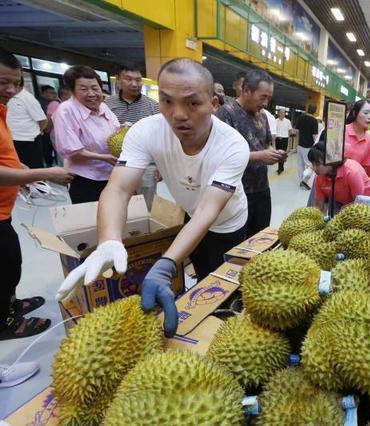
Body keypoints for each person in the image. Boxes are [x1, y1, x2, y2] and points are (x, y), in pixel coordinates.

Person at [56, 58, 250, 338]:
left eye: (192, 103)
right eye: (167, 101)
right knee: (201, 272)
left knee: (224, 284)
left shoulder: (232, 146)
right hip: (191, 213)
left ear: (214, 105)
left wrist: (167, 263)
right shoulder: (146, 131)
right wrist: (110, 240)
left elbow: (209, 210)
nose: (178, 114)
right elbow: (119, 188)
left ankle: (225, 325)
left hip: (228, 221)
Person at [0, 48, 74, 348]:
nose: (11, 90)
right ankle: (7, 323)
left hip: (4, 209)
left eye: (16, 83)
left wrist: (24, 172)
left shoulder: (2, 109)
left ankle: (11, 304)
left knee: (10, 262)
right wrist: (42, 174)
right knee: (5, 265)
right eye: (3, 82)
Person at [216, 69, 283, 239]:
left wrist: (273, 154)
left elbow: (266, 144)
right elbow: (219, 155)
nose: (266, 103)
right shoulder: (226, 114)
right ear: (246, 91)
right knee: (239, 245)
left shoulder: (263, 116)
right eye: (263, 97)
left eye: (269, 97)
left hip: (261, 189)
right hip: (236, 193)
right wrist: (259, 156)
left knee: (260, 239)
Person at [54, 66, 120, 204]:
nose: (91, 94)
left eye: (95, 88)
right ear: (72, 91)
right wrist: (103, 158)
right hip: (85, 178)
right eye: (84, 89)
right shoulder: (66, 111)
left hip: (111, 175)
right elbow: (69, 149)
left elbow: (116, 133)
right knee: (91, 219)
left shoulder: (103, 107)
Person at [105, 65, 161, 210]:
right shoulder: (107, 104)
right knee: (118, 202)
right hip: (115, 163)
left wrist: (160, 165)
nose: (134, 84)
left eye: (138, 80)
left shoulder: (153, 106)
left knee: (146, 204)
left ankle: (146, 231)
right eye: (128, 79)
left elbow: (159, 137)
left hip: (146, 164)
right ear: (118, 81)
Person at [308, 141, 370, 212]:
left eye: (318, 164)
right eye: (313, 164)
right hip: (341, 199)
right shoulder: (320, 177)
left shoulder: (352, 172)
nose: (314, 168)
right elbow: (319, 205)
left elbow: (359, 202)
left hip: (365, 199)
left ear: (330, 160)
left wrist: (344, 209)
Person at [7, 77, 48, 170]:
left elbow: (43, 120)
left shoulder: (28, 98)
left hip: (29, 140)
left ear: (18, 85)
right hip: (12, 139)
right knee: (17, 169)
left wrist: (39, 131)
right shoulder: (7, 98)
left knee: (33, 169)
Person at [44, 86, 71, 166]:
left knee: (65, 156)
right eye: (71, 95)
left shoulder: (64, 104)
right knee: (63, 156)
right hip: (57, 135)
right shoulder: (54, 104)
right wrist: (47, 130)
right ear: (65, 95)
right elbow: (49, 119)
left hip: (64, 134)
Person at [344, 99, 370, 168]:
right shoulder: (341, 131)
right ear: (355, 113)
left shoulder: (369, 140)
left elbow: (364, 167)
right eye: (366, 113)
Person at [295, 104, 318, 189]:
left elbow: (296, 131)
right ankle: (304, 181)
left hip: (300, 144)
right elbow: (314, 136)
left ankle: (301, 180)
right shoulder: (314, 121)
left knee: (300, 164)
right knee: (310, 165)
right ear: (315, 111)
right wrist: (316, 145)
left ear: (308, 109)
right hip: (308, 146)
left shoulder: (301, 118)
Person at [274, 108, 292, 174]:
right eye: (281, 112)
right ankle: (280, 167)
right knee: (278, 154)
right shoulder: (275, 121)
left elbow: (290, 131)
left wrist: (289, 141)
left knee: (283, 154)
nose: (282, 114)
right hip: (277, 139)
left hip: (285, 139)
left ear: (285, 114)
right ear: (278, 113)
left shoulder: (288, 121)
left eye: (283, 113)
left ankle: (280, 168)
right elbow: (273, 131)